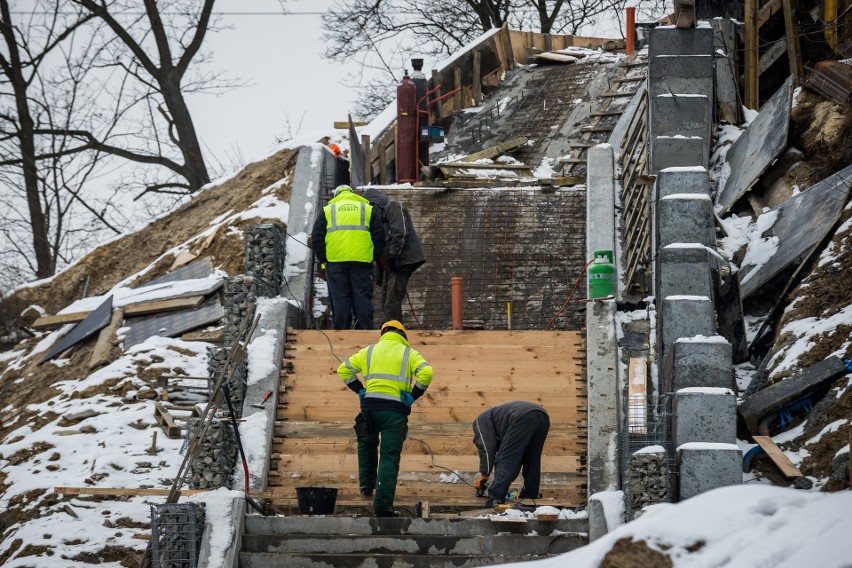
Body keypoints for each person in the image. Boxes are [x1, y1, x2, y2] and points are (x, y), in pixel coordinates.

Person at [338, 320, 433, 517]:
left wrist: (360, 389)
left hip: (369, 407)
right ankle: (382, 507)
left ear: (383, 333)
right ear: (403, 335)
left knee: (366, 444)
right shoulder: (409, 353)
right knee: (389, 457)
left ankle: (366, 485)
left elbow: (343, 369)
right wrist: (414, 395)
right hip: (394, 412)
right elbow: (426, 372)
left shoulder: (369, 351)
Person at [311, 185, 385, 330]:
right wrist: (374, 257)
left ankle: (342, 333)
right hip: (362, 261)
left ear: (336, 196)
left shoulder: (328, 210)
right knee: (362, 297)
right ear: (352, 194)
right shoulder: (367, 209)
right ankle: (364, 331)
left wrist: (323, 258)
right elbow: (379, 236)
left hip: (335, 261)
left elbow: (317, 238)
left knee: (340, 298)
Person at [362, 188, 425, 322]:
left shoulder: (394, 207)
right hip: (390, 265)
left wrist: (393, 256)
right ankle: (390, 330)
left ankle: (392, 333)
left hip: (400, 262)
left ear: (375, 204)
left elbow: (400, 232)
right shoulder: (379, 216)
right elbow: (380, 245)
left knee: (392, 302)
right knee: (386, 301)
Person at [472, 401, 550, 508]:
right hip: (542, 417)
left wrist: (485, 474)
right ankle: (530, 494)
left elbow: (486, 448)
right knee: (531, 459)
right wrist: (505, 478)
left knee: (504, 458)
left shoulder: (480, 421)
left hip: (521, 415)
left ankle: (495, 498)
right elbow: (515, 459)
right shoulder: (499, 423)